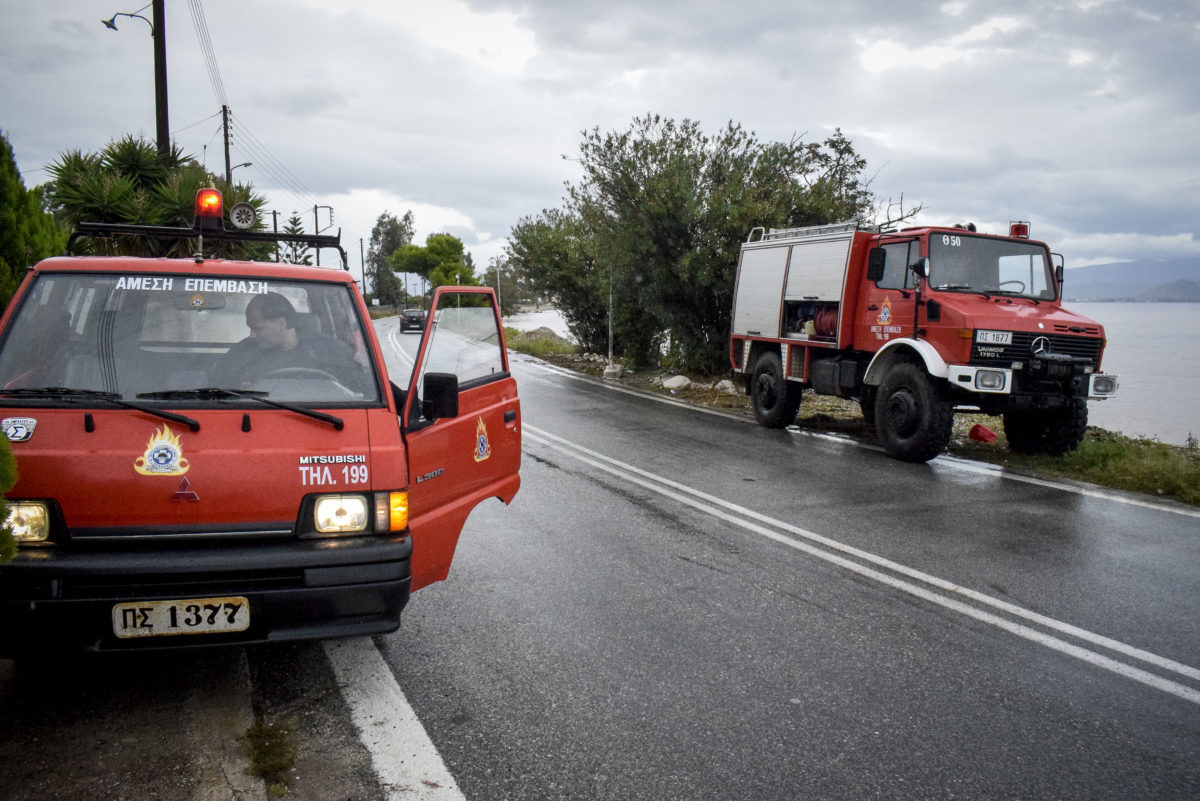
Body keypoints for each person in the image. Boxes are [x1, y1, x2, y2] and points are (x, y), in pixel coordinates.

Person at [215, 292, 364, 391]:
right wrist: (238, 392)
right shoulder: (240, 355)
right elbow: (216, 390)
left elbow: (360, 390)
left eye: (257, 328)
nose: (252, 335)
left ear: (282, 323)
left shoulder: (331, 351)